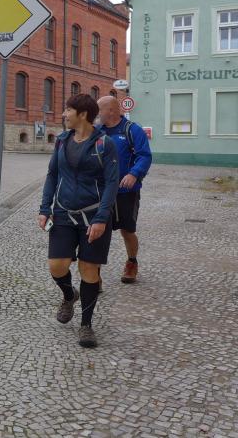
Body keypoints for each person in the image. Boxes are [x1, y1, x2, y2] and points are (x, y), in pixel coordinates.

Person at [39, 94, 119, 348]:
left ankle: (86, 325)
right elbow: (52, 175)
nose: (64, 114)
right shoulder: (62, 141)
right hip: (63, 213)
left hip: (93, 216)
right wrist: (45, 208)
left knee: (89, 270)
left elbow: (112, 183)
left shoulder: (105, 144)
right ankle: (68, 294)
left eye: (68, 110)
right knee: (57, 266)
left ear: (82, 114)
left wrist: (102, 218)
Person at [97, 96, 153, 284]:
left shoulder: (132, 130)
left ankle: (132, 262)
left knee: (127, 231)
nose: (97, 114)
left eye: (99, 110)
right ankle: (93, 273)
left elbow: (145, 156)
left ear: (111, 111)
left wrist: (134, 174)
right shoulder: (97, 131)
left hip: (126, 192)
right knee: (97, 230)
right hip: (102, 192)